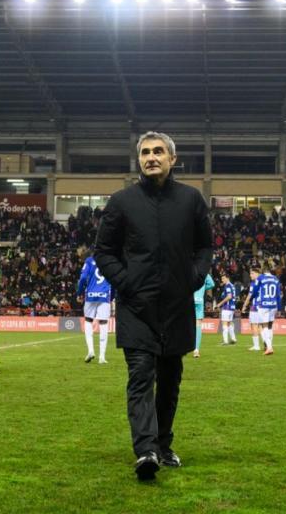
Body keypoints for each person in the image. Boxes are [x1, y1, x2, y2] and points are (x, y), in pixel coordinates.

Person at [94, 131, 213, 481]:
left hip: (177, 307)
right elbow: (104, 252)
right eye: (145, 152)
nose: (151, 157)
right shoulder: (121, 202)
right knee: (140, 377)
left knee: (171, 380)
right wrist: (127, 282)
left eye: (158, 151)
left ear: (172, 159)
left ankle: (163, 444)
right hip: (137, 308)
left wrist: (193, 277)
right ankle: (145, 450)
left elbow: (205, 247)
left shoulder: (191, 200)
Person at [77, 252, 113, 364]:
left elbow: (83, 278)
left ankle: (91, 350)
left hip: (91, 295)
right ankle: (102, 357)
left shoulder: (89, 260)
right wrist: (112, 297)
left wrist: (79, 292)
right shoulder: (109, 260)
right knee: (103, 323)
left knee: (88, 320)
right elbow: (114, 279)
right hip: (104, 295)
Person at [254, 265, 281, 356]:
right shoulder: (276, 279)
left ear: (263, 271)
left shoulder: (260, 277)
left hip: (264, 304)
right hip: (274, 305)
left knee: (264, 325)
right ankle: (270, 345)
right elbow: (278, 294)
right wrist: (279, 307)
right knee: (270, 325)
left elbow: (255, 290)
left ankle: (269, 347)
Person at [192, 273, 214, 358]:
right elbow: (212, 284)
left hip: (189, 300)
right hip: (199, 300)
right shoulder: (204, 272)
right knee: (198, 325)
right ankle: (196, 350)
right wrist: (204, 288)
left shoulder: (187, 269)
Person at [243, 265, 264, 351]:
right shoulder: (263, 282)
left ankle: (256, 346)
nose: (250, 275)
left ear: (257, 274)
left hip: (255, 307)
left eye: (252, 273)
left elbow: (249, 295)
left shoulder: (254, 283)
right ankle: (266, 343)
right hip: (263, 306)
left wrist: (244, 305)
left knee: (254, 325)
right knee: (261, 326)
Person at [216, 274, 238, 345]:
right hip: (231, 307)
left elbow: (229, 296)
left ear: (227, 278)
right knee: (230, 323)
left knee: (224, 323)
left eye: (223, 278)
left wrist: (220, 304)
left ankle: (225, 341)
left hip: (227, 307)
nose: (222, 280)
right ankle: (233, 338)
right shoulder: (232, 285)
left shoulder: (228, 286)